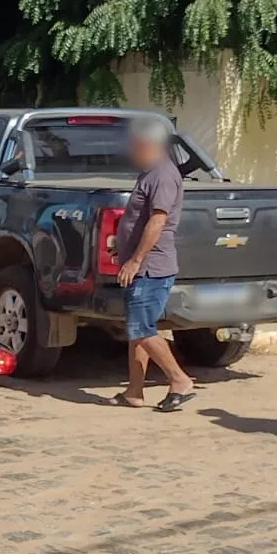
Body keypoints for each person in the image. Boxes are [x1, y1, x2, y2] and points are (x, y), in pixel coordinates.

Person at [107, 116, 194, 412]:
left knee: (142, 329)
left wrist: (135, 259)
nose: (130, 151)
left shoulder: (163, 175)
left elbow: (157, 221)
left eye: (133, 145)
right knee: (138, 331)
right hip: (144, 266)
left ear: (148, 144)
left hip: (151, 267)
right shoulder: (151, 172)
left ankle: (179, 380)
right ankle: (134, 391)